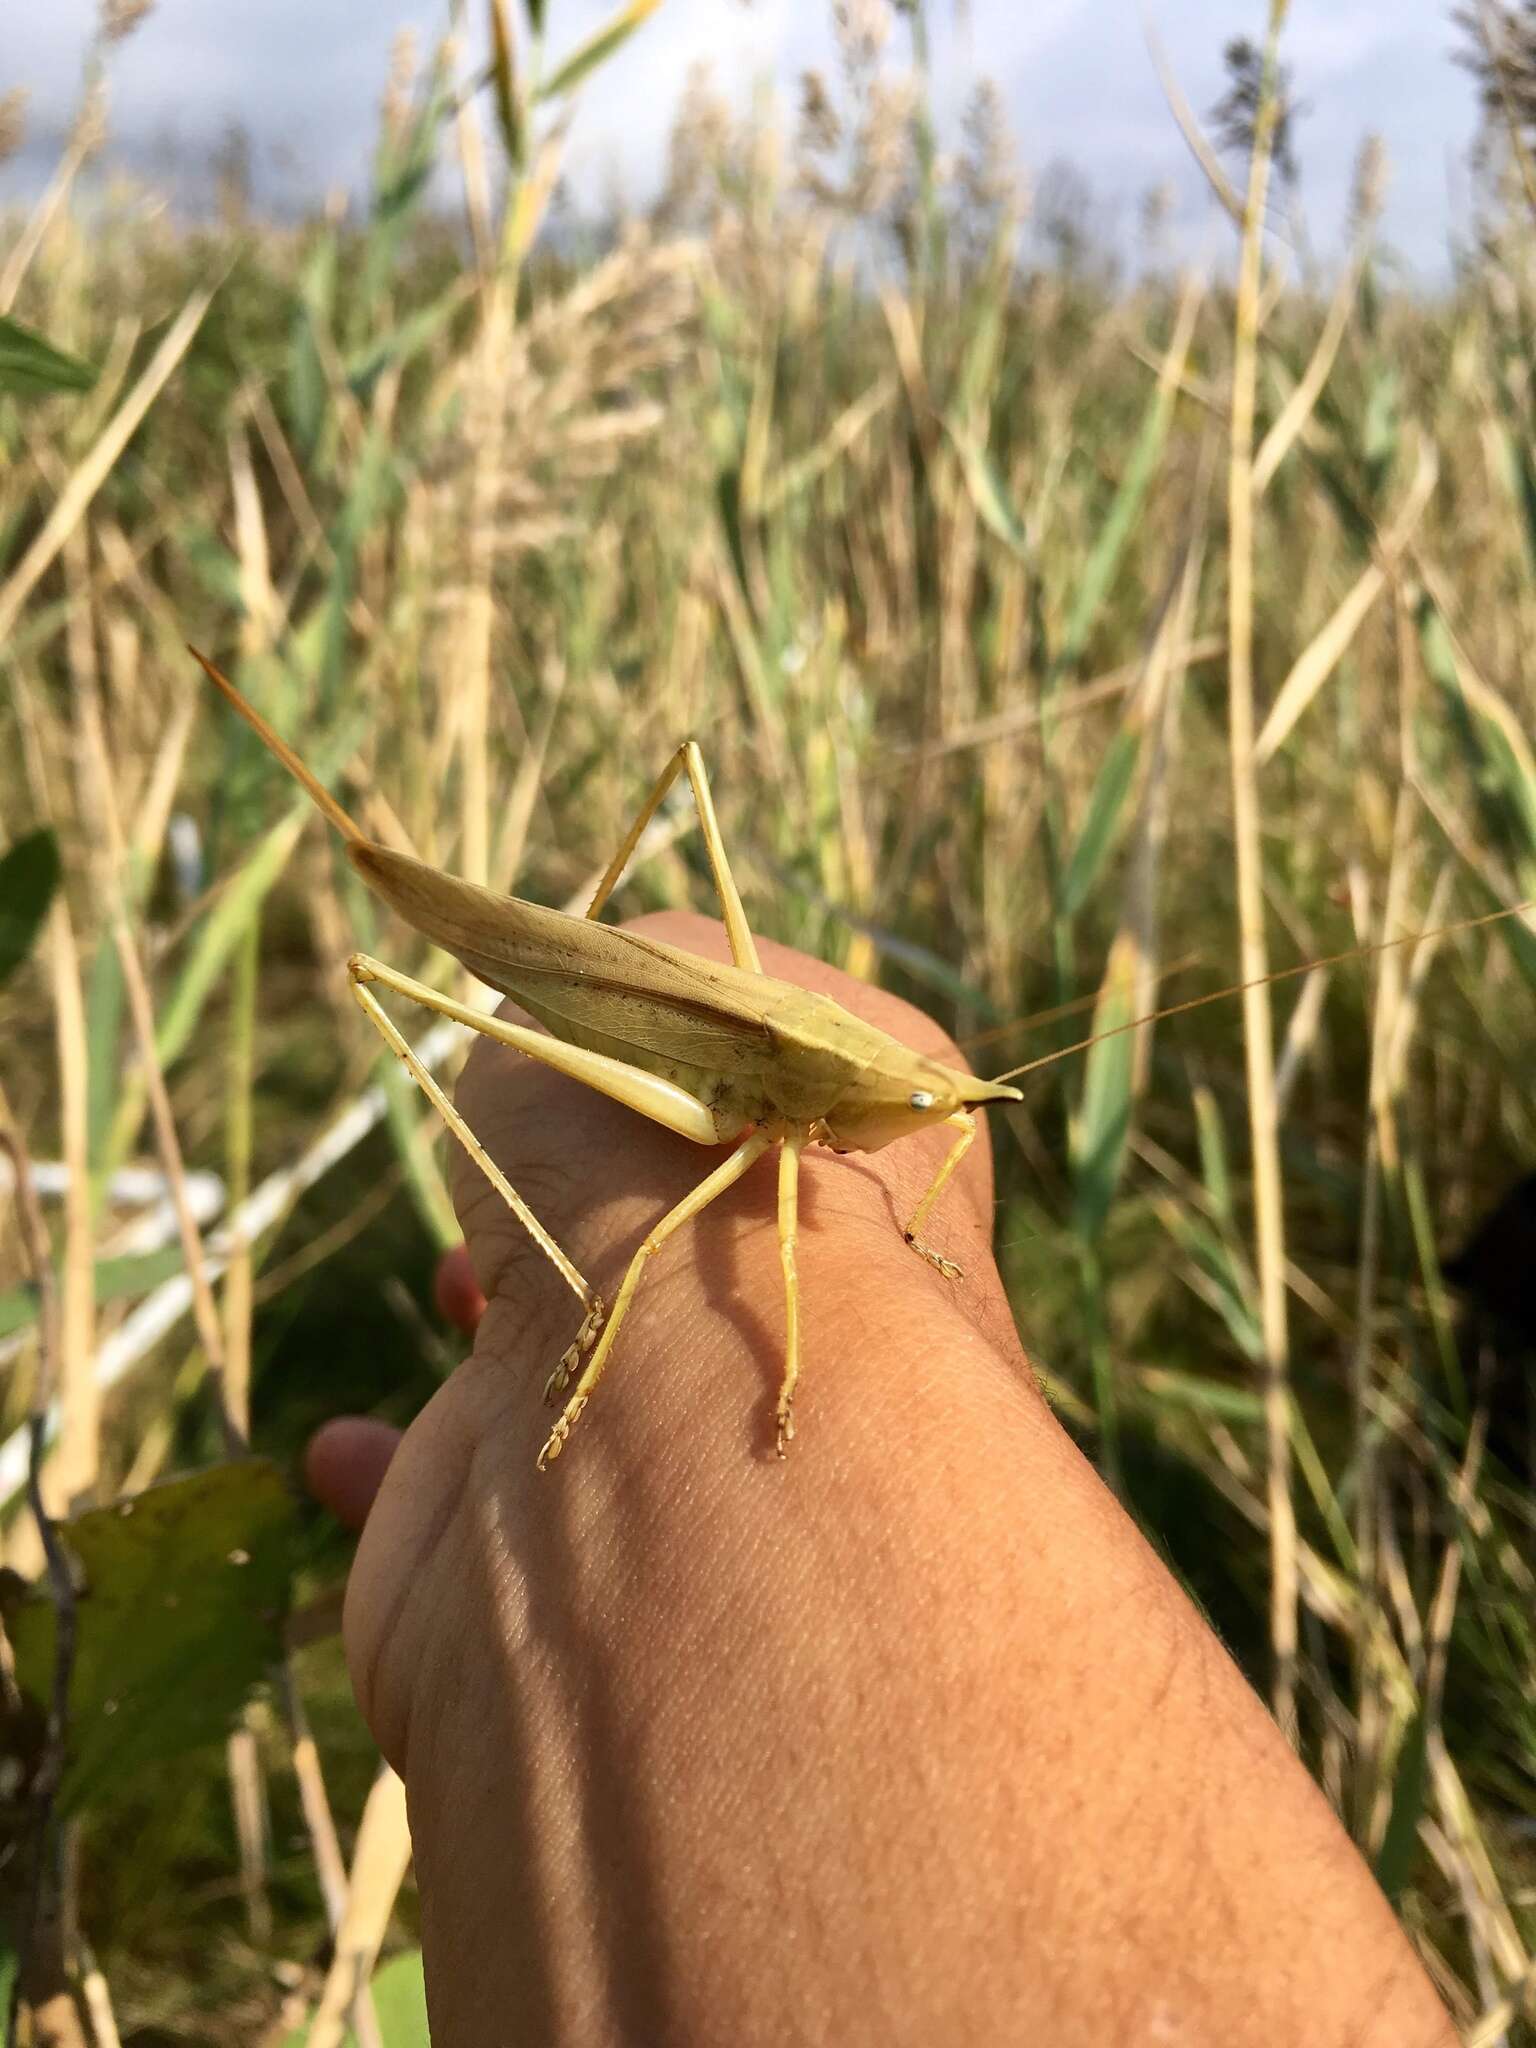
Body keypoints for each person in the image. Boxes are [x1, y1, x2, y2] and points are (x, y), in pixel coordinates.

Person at [306, 911, 1457, 2047]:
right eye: (897, 1107)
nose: (918, 1121)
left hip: (775, 1050)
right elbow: (660, 1249)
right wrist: (777, 1373)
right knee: (647, 1229)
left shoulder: (894, 1089)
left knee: (943, 1083)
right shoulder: (795, 1099)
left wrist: (918, 1217)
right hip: (694, 1062)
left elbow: (946, 1113)